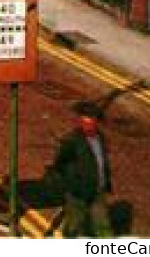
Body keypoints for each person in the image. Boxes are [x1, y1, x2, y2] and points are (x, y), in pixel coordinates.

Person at [51, 101, 115, 238]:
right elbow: (60, 163)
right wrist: (72, 184)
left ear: (96, 123)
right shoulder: (72, 141)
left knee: (103, 225)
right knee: (74, 225)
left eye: (91, 122)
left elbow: (102, 161)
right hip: (78, 193)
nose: (88, 126)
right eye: (85, 123)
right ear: (80, 122)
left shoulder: (100, 139)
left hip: (98, 189)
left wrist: (105, 180)